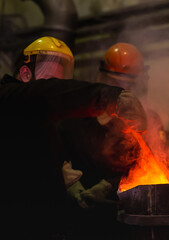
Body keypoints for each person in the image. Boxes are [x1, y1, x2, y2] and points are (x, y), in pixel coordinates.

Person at [0, 36, 146, 239]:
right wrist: (109, 97)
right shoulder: (9, 97)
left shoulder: (38, 117)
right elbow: (45, 95)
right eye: (52, 83)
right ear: (25, 74)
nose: (58, 92)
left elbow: (39, 156)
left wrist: (66, 181)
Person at [58, 42, 165, 239]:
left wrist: (108, 186)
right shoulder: (77, 117)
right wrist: (70, 183)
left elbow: (152, 166)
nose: (123, 90)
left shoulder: (147, 120)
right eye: (117, 83)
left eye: (130, 85)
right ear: (102, 77)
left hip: (123, 218)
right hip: (79, 219)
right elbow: (56, 151)